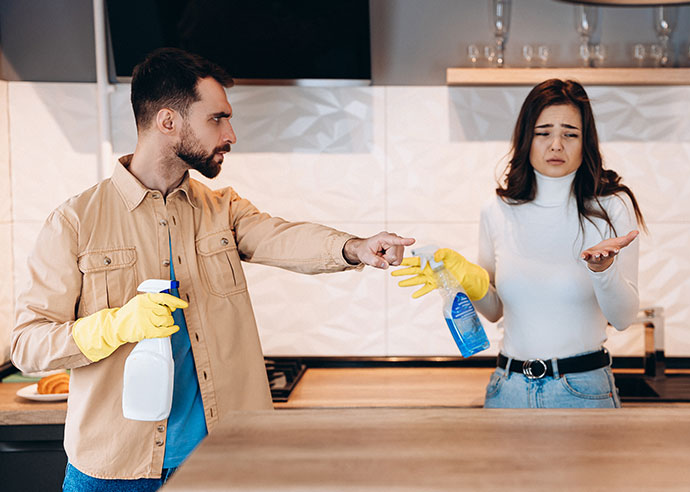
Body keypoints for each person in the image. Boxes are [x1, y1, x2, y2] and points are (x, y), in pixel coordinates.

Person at [11, 47, 414, 490]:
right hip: (114, 471)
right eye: (217, 118)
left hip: (224, 465)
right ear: (168, 122)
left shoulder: (222, 209)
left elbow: (279, 236)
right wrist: (117, 325)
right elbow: (27, 344)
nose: (231, 134)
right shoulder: (75, 221)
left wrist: (355, 247)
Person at [393, 78, 644, 409]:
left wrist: (604, 270)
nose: (556, 145)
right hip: (506, 388)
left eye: (570, 134)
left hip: (583, 390)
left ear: (586, 142)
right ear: (526, 139)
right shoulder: (496, 211)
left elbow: (624, 317)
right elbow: (495, 311)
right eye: (543, 133)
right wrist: (469, 280)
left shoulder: (611, 207)